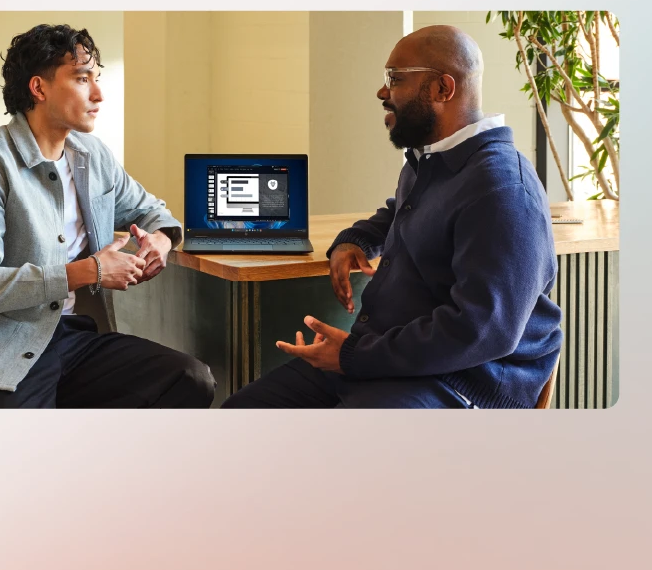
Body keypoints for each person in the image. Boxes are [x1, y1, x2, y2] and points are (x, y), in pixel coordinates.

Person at [222, 25, 561, 409]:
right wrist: (356, 240)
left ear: (441, 89)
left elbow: (482, 331)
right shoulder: (434, 158)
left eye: (395, 79)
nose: (383, 92)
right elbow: (403, 209)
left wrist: (352, 356)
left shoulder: (502, 188)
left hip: (459, 382)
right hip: (389, 363)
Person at [0, 24, 215, 408]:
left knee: (190, 379)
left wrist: (161, 239)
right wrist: (90, 271)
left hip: (69, 337)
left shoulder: (91, 155)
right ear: (39, 88)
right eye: (81, 79)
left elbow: (152, 211)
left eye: (96, 78)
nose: (98, 94)